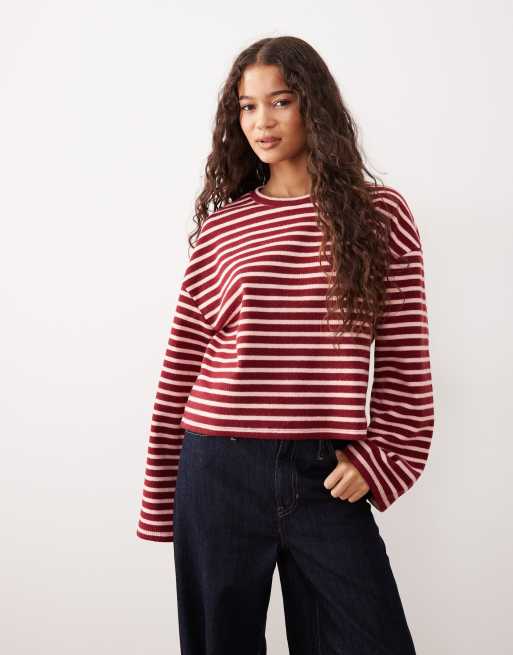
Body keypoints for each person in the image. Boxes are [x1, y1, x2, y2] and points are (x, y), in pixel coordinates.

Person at [136, 35, 434, 655]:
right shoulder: (224, 227)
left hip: (323, 473)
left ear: (313, 106)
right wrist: (162, 495)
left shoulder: (380, 215)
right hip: (217, 468)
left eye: (280, 102)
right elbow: (183, 361)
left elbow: (405, 359)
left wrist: (383, 457)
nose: (261, 122)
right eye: (247, 107)